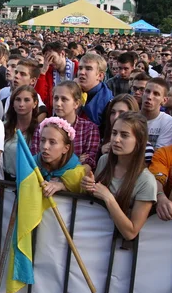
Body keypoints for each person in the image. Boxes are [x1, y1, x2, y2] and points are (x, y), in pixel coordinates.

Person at [81, 111, 157, 240]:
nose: (116, 139)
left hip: (119, 248)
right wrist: (89, 188)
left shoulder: (147, 181)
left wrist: (109, 198)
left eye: (124, 135)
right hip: (92, 236)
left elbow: (131, 232)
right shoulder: (104, 160)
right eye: (114, 133)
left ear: (139, 141)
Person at [31, 81, 99, 170]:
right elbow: (36, 161)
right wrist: (76, 160)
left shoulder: (89, 129)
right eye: (56, 98)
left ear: (76, 103)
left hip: (75, 182)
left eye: (64, 99)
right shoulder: (43, 127)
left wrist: (63, 181)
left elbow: (89, 163)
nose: (58, 103)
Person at [36, 117, 87, 197]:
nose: (45, 146)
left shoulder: (76, 173)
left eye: (52, 142)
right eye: (42, 140)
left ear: (66, 148)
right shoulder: (31, 164)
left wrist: (63, 186)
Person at [102, 94, 155, 164]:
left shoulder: (146, 149)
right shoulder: (103, 141)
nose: (115, 117)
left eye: (122, 113)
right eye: (113, 112)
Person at [3, 85, 39, 180]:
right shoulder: (2, 127)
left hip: (30, 181)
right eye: (18, 99)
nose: (21, 104)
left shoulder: (40, 130)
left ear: (35, 103)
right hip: (5, 181)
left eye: (27, 100)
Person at [35, 41, 75, 113]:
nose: (50, 62)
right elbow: (39, 97)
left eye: (52, 58)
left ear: (62, 54)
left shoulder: (77, 68)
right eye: (47, 59)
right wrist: (43, 71)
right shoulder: (48, 72)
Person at [77, 52, 113, 127]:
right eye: (80, 68)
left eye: (88, 69)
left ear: (100, 76)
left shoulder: (108, 103)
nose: (82, 72)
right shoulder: (71, 92)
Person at [142, 78, 172, 148]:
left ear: (164, 100)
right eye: (147, 91)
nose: (149, 97)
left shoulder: (169, 122)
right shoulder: (131, 118)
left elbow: (160, 154)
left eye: (156, 94)